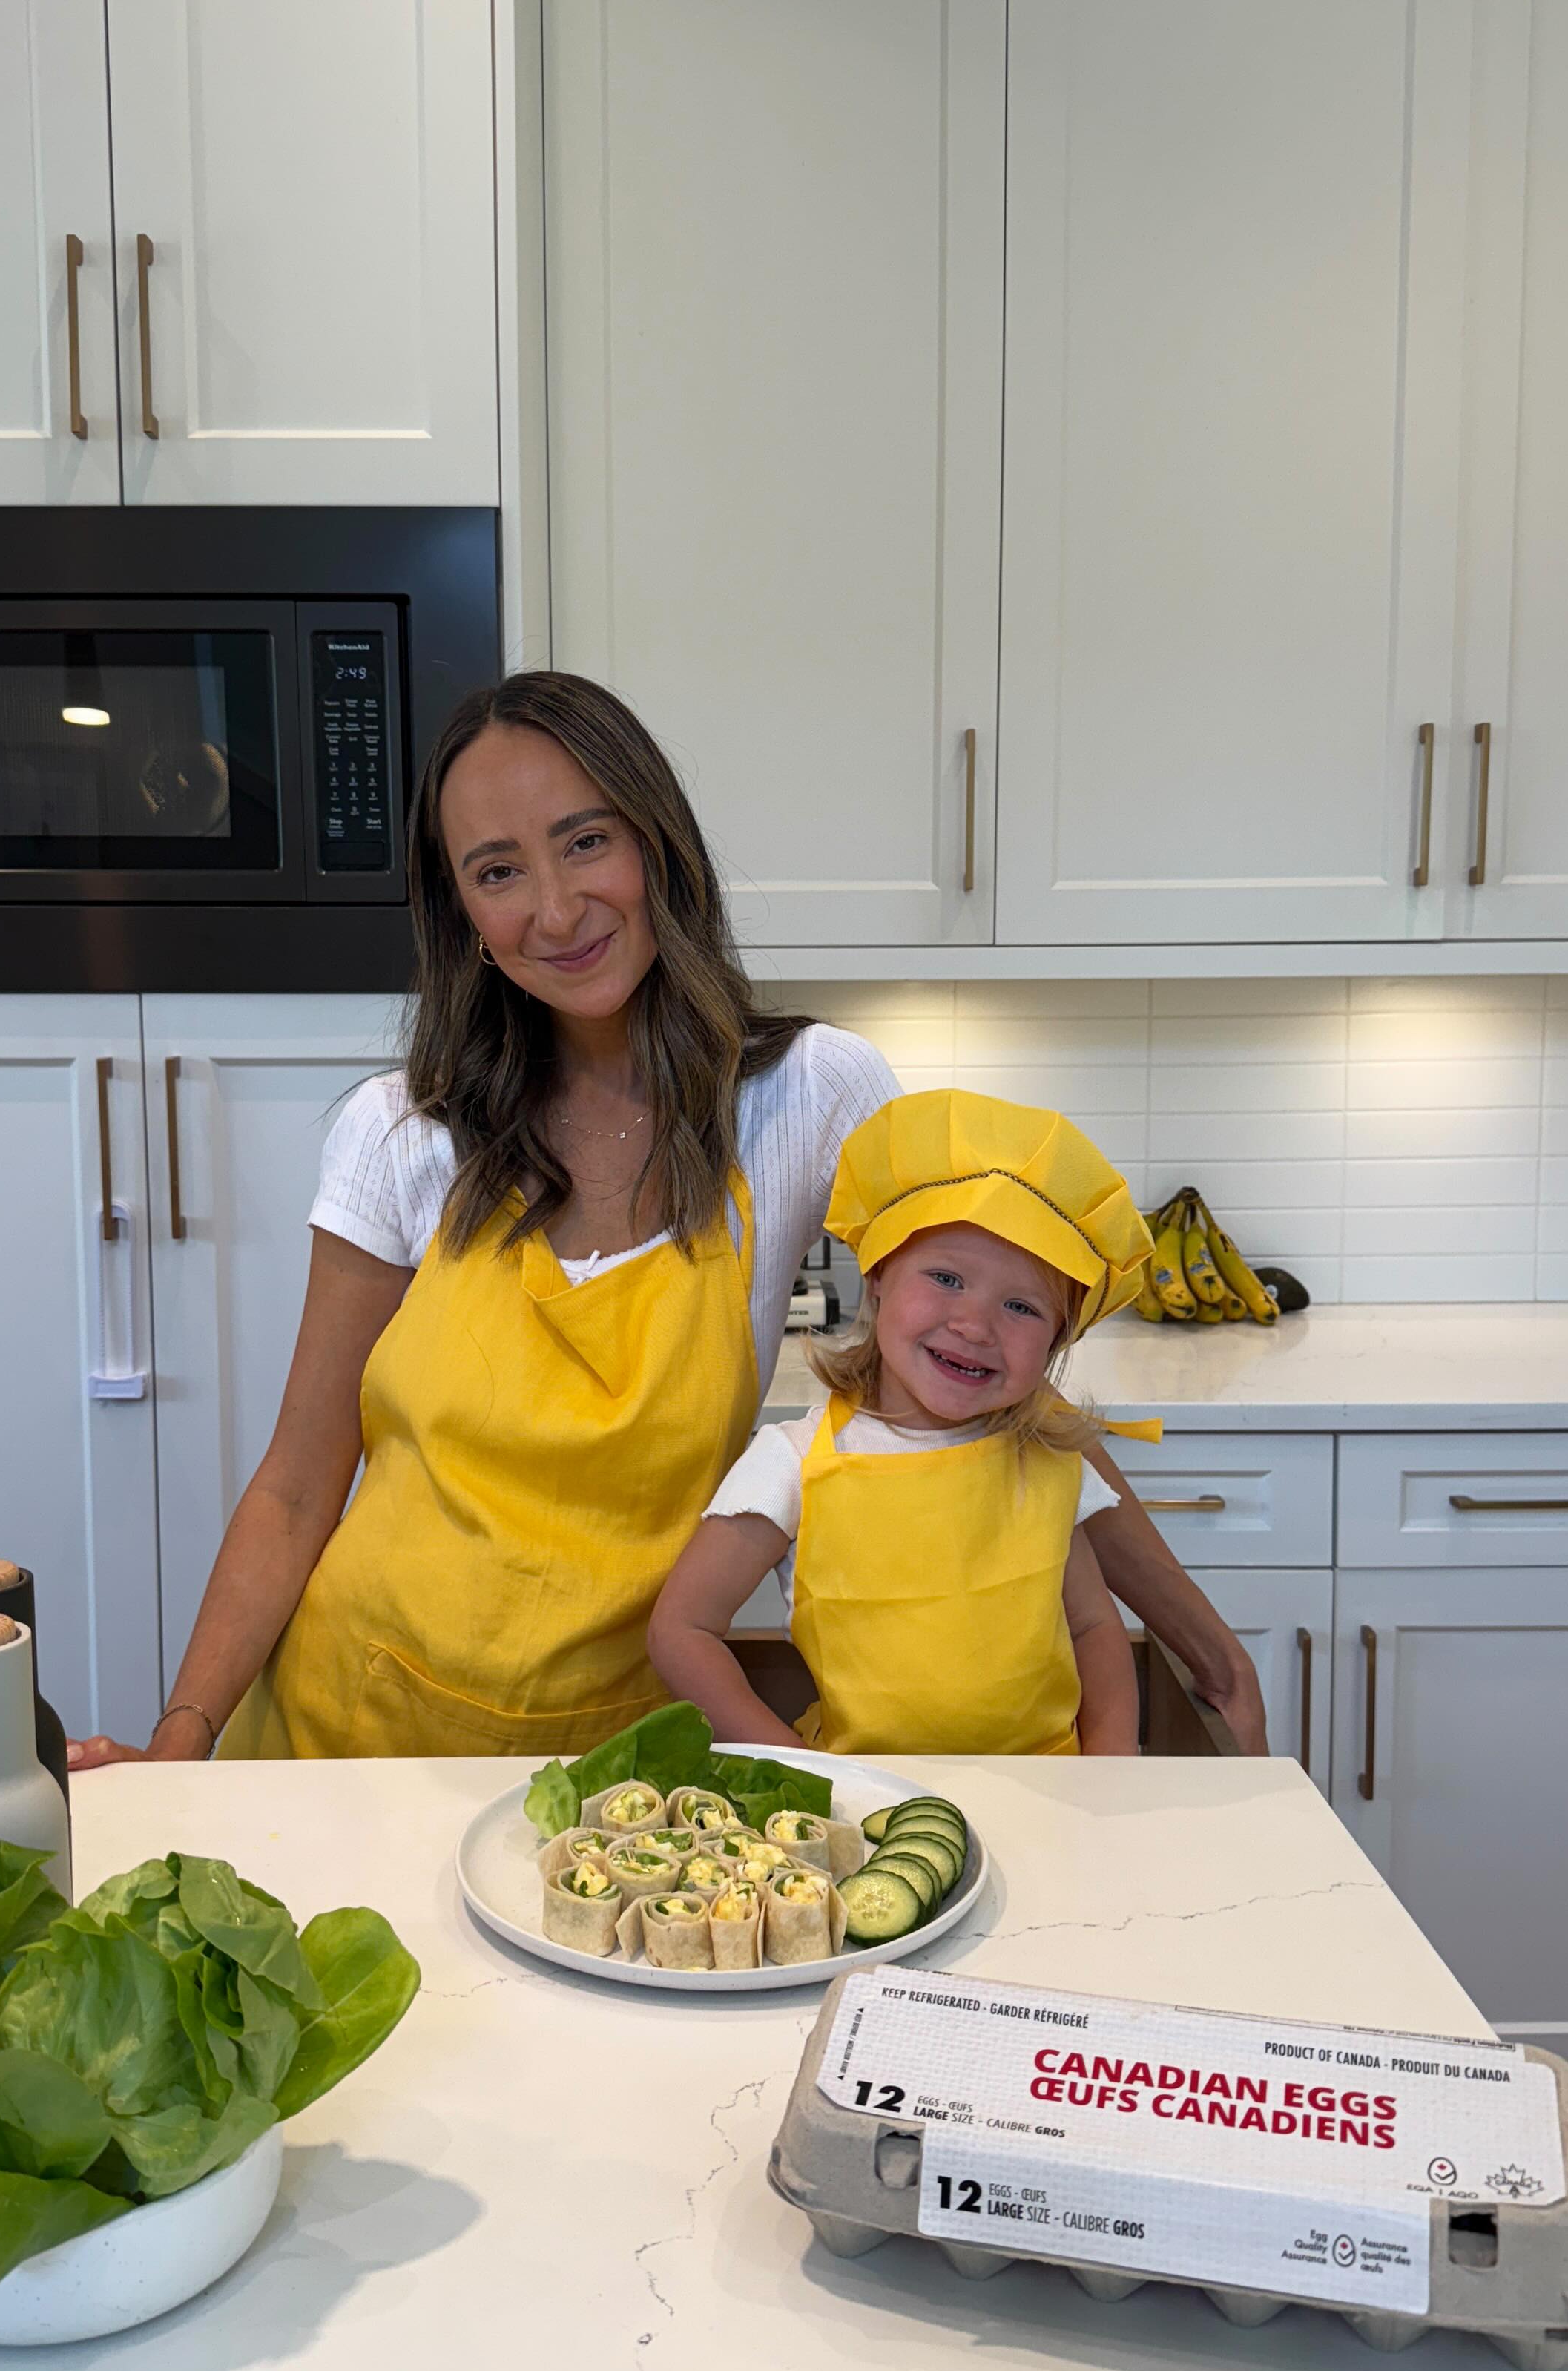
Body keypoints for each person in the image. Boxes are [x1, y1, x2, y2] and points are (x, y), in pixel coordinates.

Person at [68, 674, 1268, 1769]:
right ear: (463, 917)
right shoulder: (400, 1133)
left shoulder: (806, 1096)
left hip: (625, 1764)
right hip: (351, 1735)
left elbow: (993, 1366)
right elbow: (293, 1485)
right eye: (496, 871)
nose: (553, 908)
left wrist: (1204, 1652)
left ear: (656, 841)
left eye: (584, 841)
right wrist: (181, 1740)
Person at [649, 1092, 1153, 1755]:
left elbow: (1093, 1630)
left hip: (1045, 1796)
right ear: (880, 1272)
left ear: (1059, 1339)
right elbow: (682, 1630)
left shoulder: (1049, 1461)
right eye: (945, 1277)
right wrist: (803, 1774)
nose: (974, 1325)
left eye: (1022, 1307)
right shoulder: (793, 1462)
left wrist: (1109, 1772)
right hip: (869, 1813)